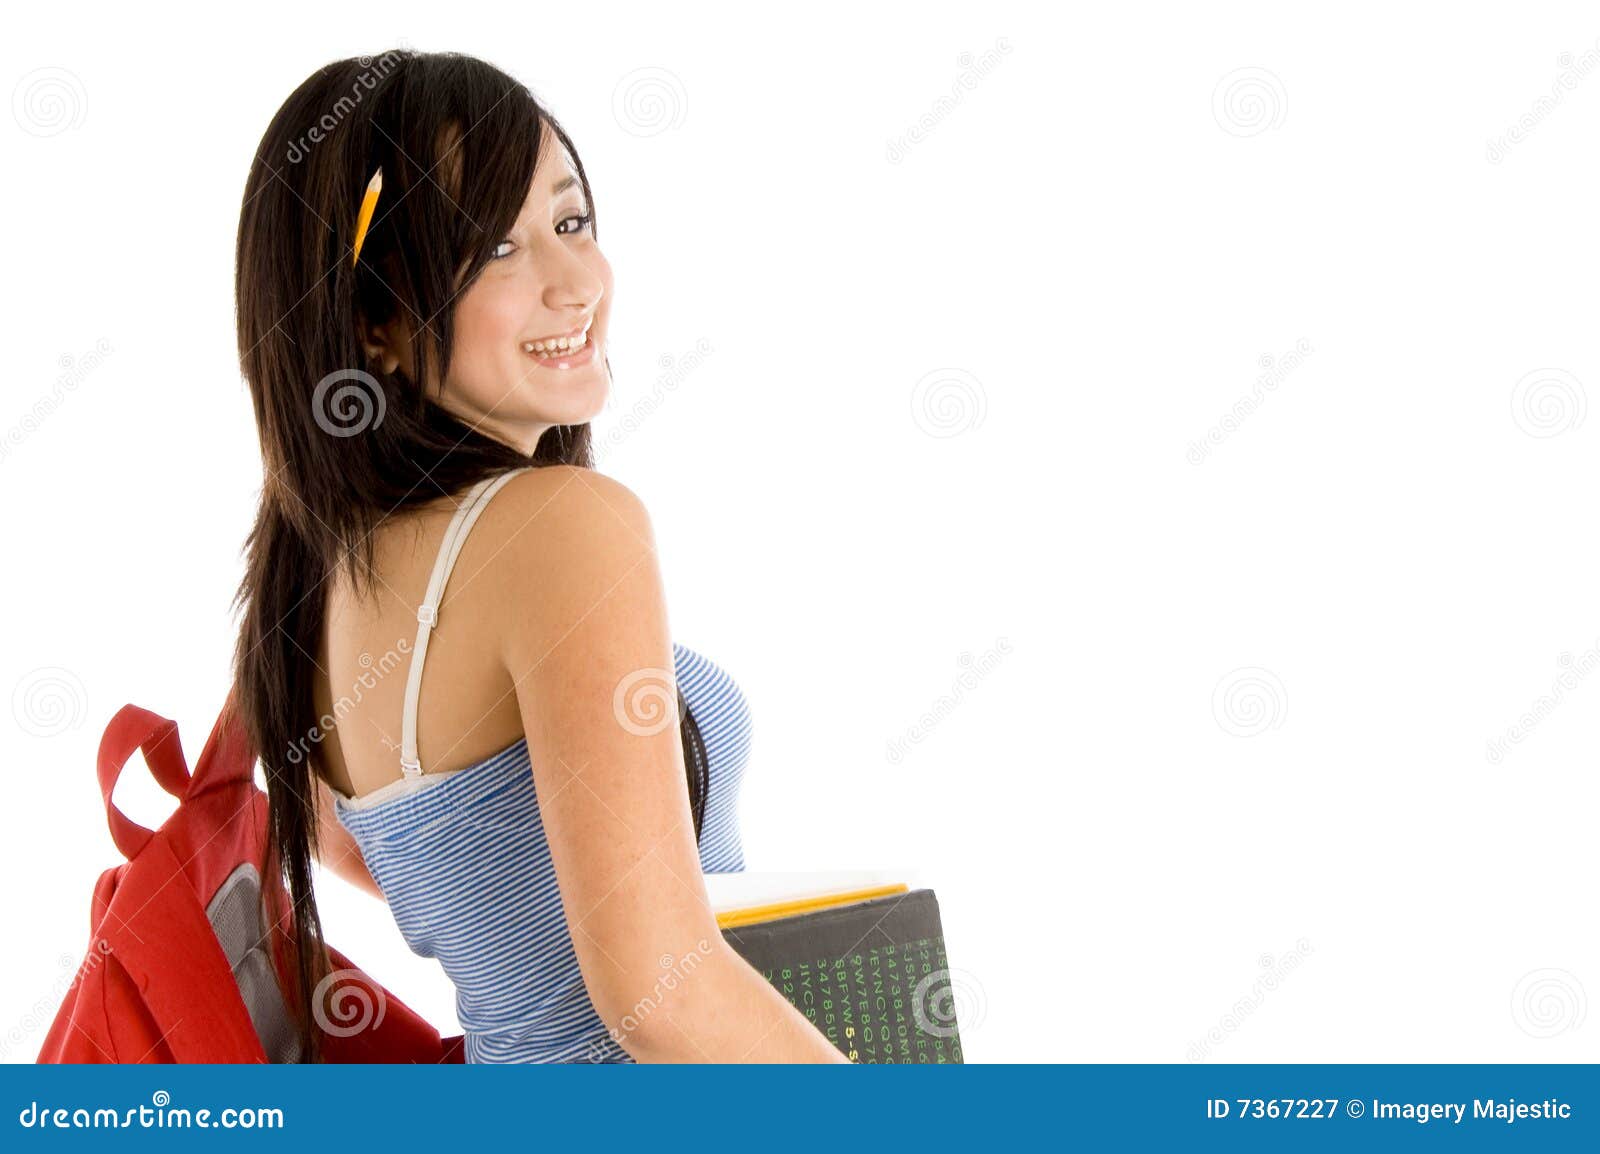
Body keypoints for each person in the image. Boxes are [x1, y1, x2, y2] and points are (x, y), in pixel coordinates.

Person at [229, 48, 846, 1064]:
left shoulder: (310, 576)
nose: (574, 285)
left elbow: (356, 838)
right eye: (491, 250)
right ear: (376, 323)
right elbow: (661, 997)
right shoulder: (558, 524)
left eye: (569, 223)